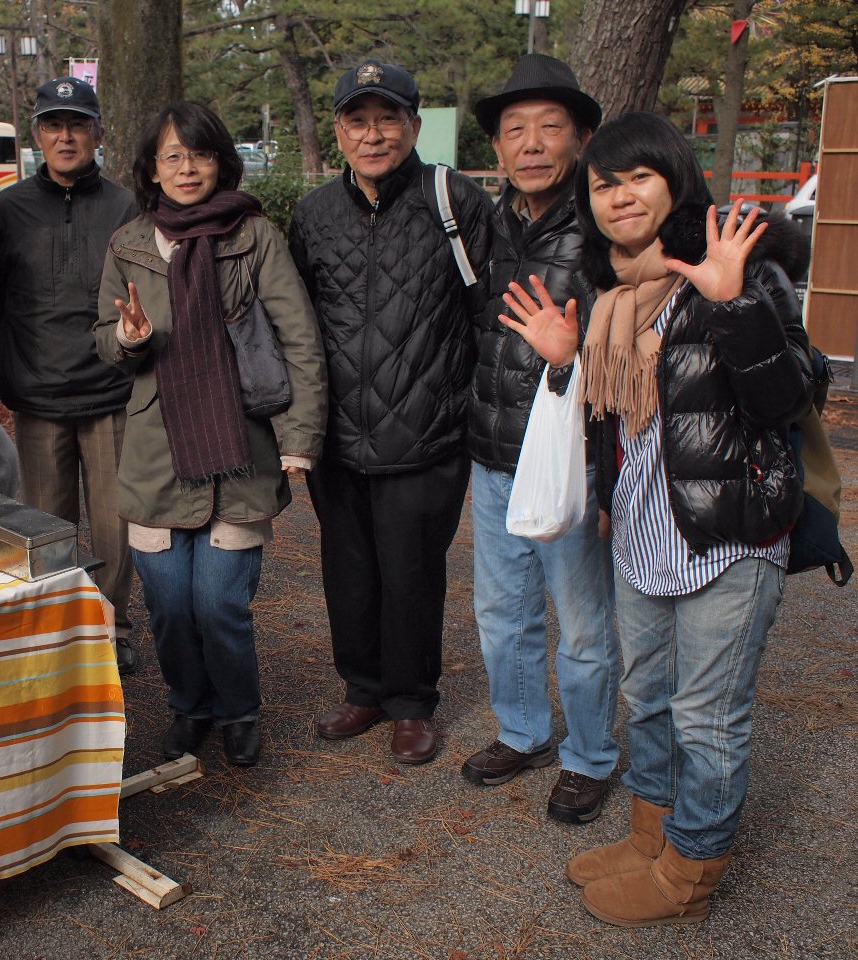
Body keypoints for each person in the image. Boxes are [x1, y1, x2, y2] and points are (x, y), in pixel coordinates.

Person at [501, 111, 812, 926]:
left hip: (729, 535)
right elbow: (620, 426)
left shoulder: (739, 265)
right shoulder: (610, 294)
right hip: (642, 534)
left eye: (639, 177)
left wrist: (734, 304)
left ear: (675, 179)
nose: (621, 196)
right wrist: (566, 366)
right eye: (604, 184)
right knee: (649, 697)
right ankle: (652, 835)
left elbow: (787, 397)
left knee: (707, 717)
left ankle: (691, 871)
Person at [95, 102, 327, 767]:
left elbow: (299, 339)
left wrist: (299, 438)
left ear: (222, 162)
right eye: (172, 156)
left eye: (199, 154)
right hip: (156, 454)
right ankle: (190, 706)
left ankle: (238, 710)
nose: (187, 168)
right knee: (170, 607)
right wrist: (128, 338)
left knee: (219, 603)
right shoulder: (129, 243)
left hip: (239, 450)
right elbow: (103, 339)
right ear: (152, 169)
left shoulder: (254, 237)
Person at [288, 59, 491, 764]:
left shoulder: (455, 201)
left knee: (412, 574)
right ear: (339, 130)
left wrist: (466, 410)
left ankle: (411, 701)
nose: (372, 135)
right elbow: (297, 324)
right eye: (357, 121)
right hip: (338, 434)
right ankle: (363, 688)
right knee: (348, 570)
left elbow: (489, 314)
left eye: (387, 119)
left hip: (427, 431)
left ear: (414, 123)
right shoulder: (314, 214)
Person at [461, 54, 619, 824]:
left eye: (549, 128)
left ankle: (589, 756)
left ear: (581, 138)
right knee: (503, 611)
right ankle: (521, 731)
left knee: (582, 623)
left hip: (571, 458)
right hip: (495, 457)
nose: (530, 144)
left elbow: (632, 350)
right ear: (496, 147)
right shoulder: (492, 223)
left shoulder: (604, 229)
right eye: (514, 130)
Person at [0, 77, 140, 673]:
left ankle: (112, 626)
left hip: (111, 391)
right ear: (38, 134)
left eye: (78, 124)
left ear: (98, 133)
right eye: (54, 124)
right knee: (47, 527)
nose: (66, 136)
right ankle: (57, 631)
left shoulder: (126, 208)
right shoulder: (6, 211)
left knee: (116, 528)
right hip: (39, 396)